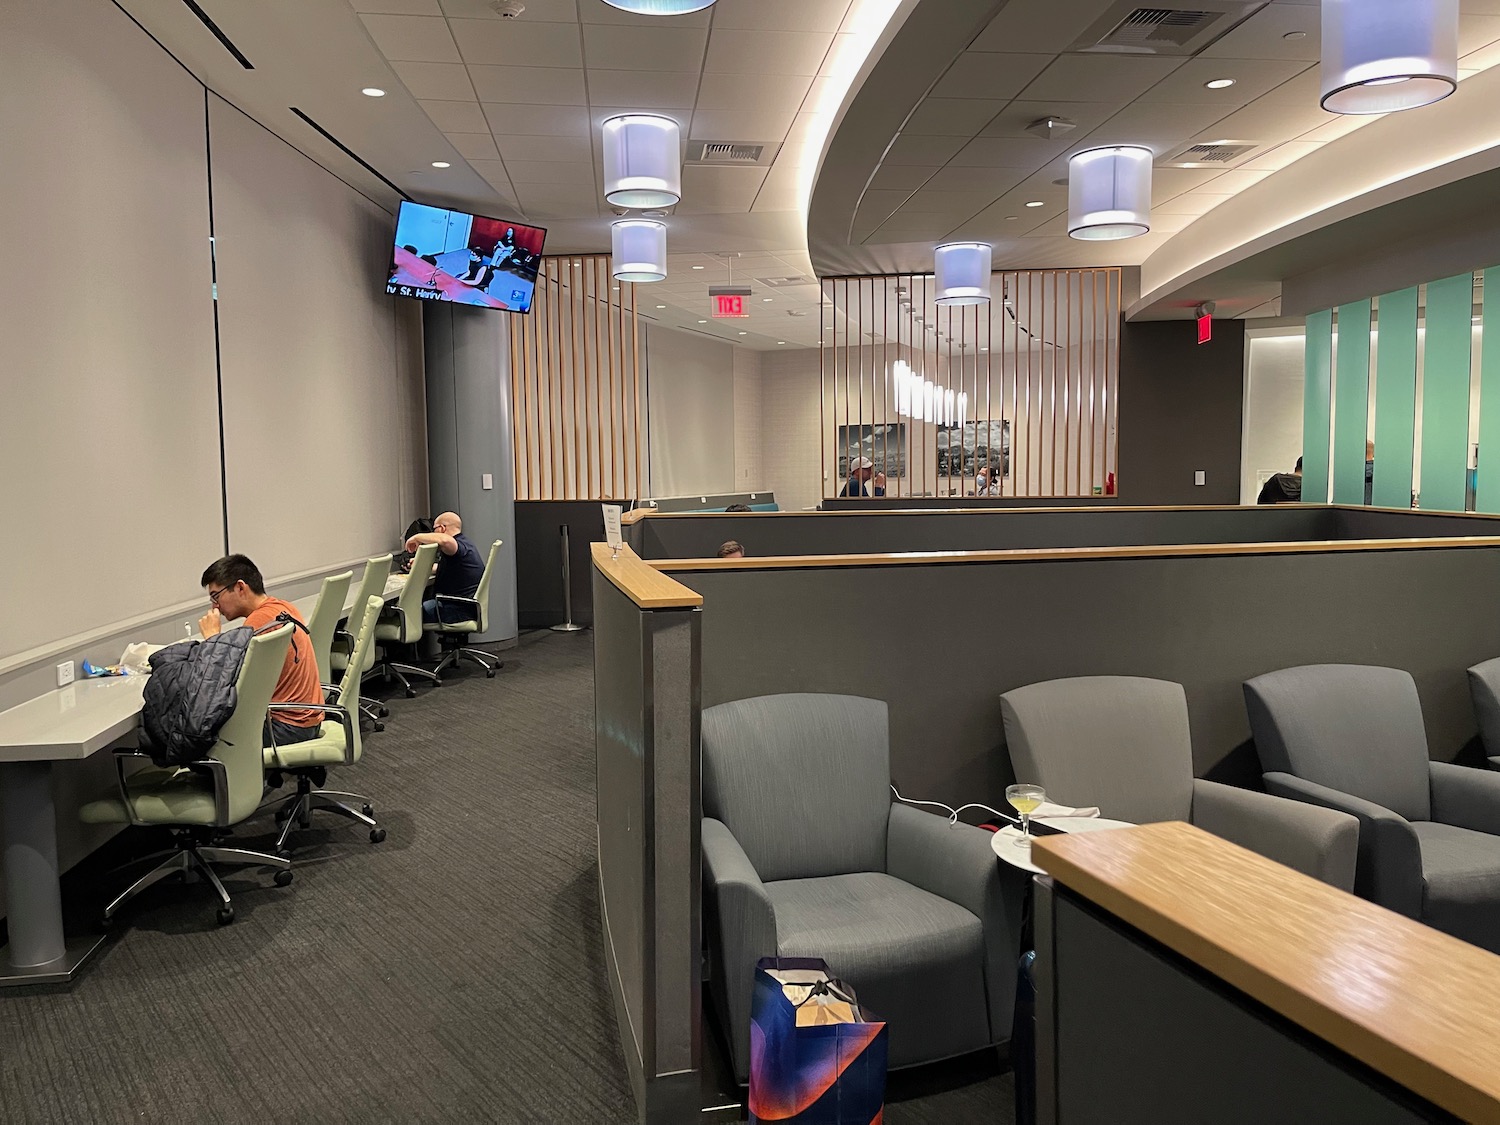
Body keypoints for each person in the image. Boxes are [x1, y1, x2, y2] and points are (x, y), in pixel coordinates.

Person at [198, 554, 323, 748]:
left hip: (286, 727)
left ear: (240, 587)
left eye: (216, 596)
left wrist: (212, 640)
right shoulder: (283, 608)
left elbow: (222, 684)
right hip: (308, 718)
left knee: (200, 738)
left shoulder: (258, 623)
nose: (215, 606)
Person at [405, 511, 486, 624]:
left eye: (434, 529)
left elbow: (445, 540)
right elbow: (451, 569)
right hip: (466, 607)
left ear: (442, 528)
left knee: (407, 613)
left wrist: (416, 537)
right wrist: (422, 565)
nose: (433, 533)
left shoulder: (456, 545)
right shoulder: (467, 545)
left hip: (456, 610)